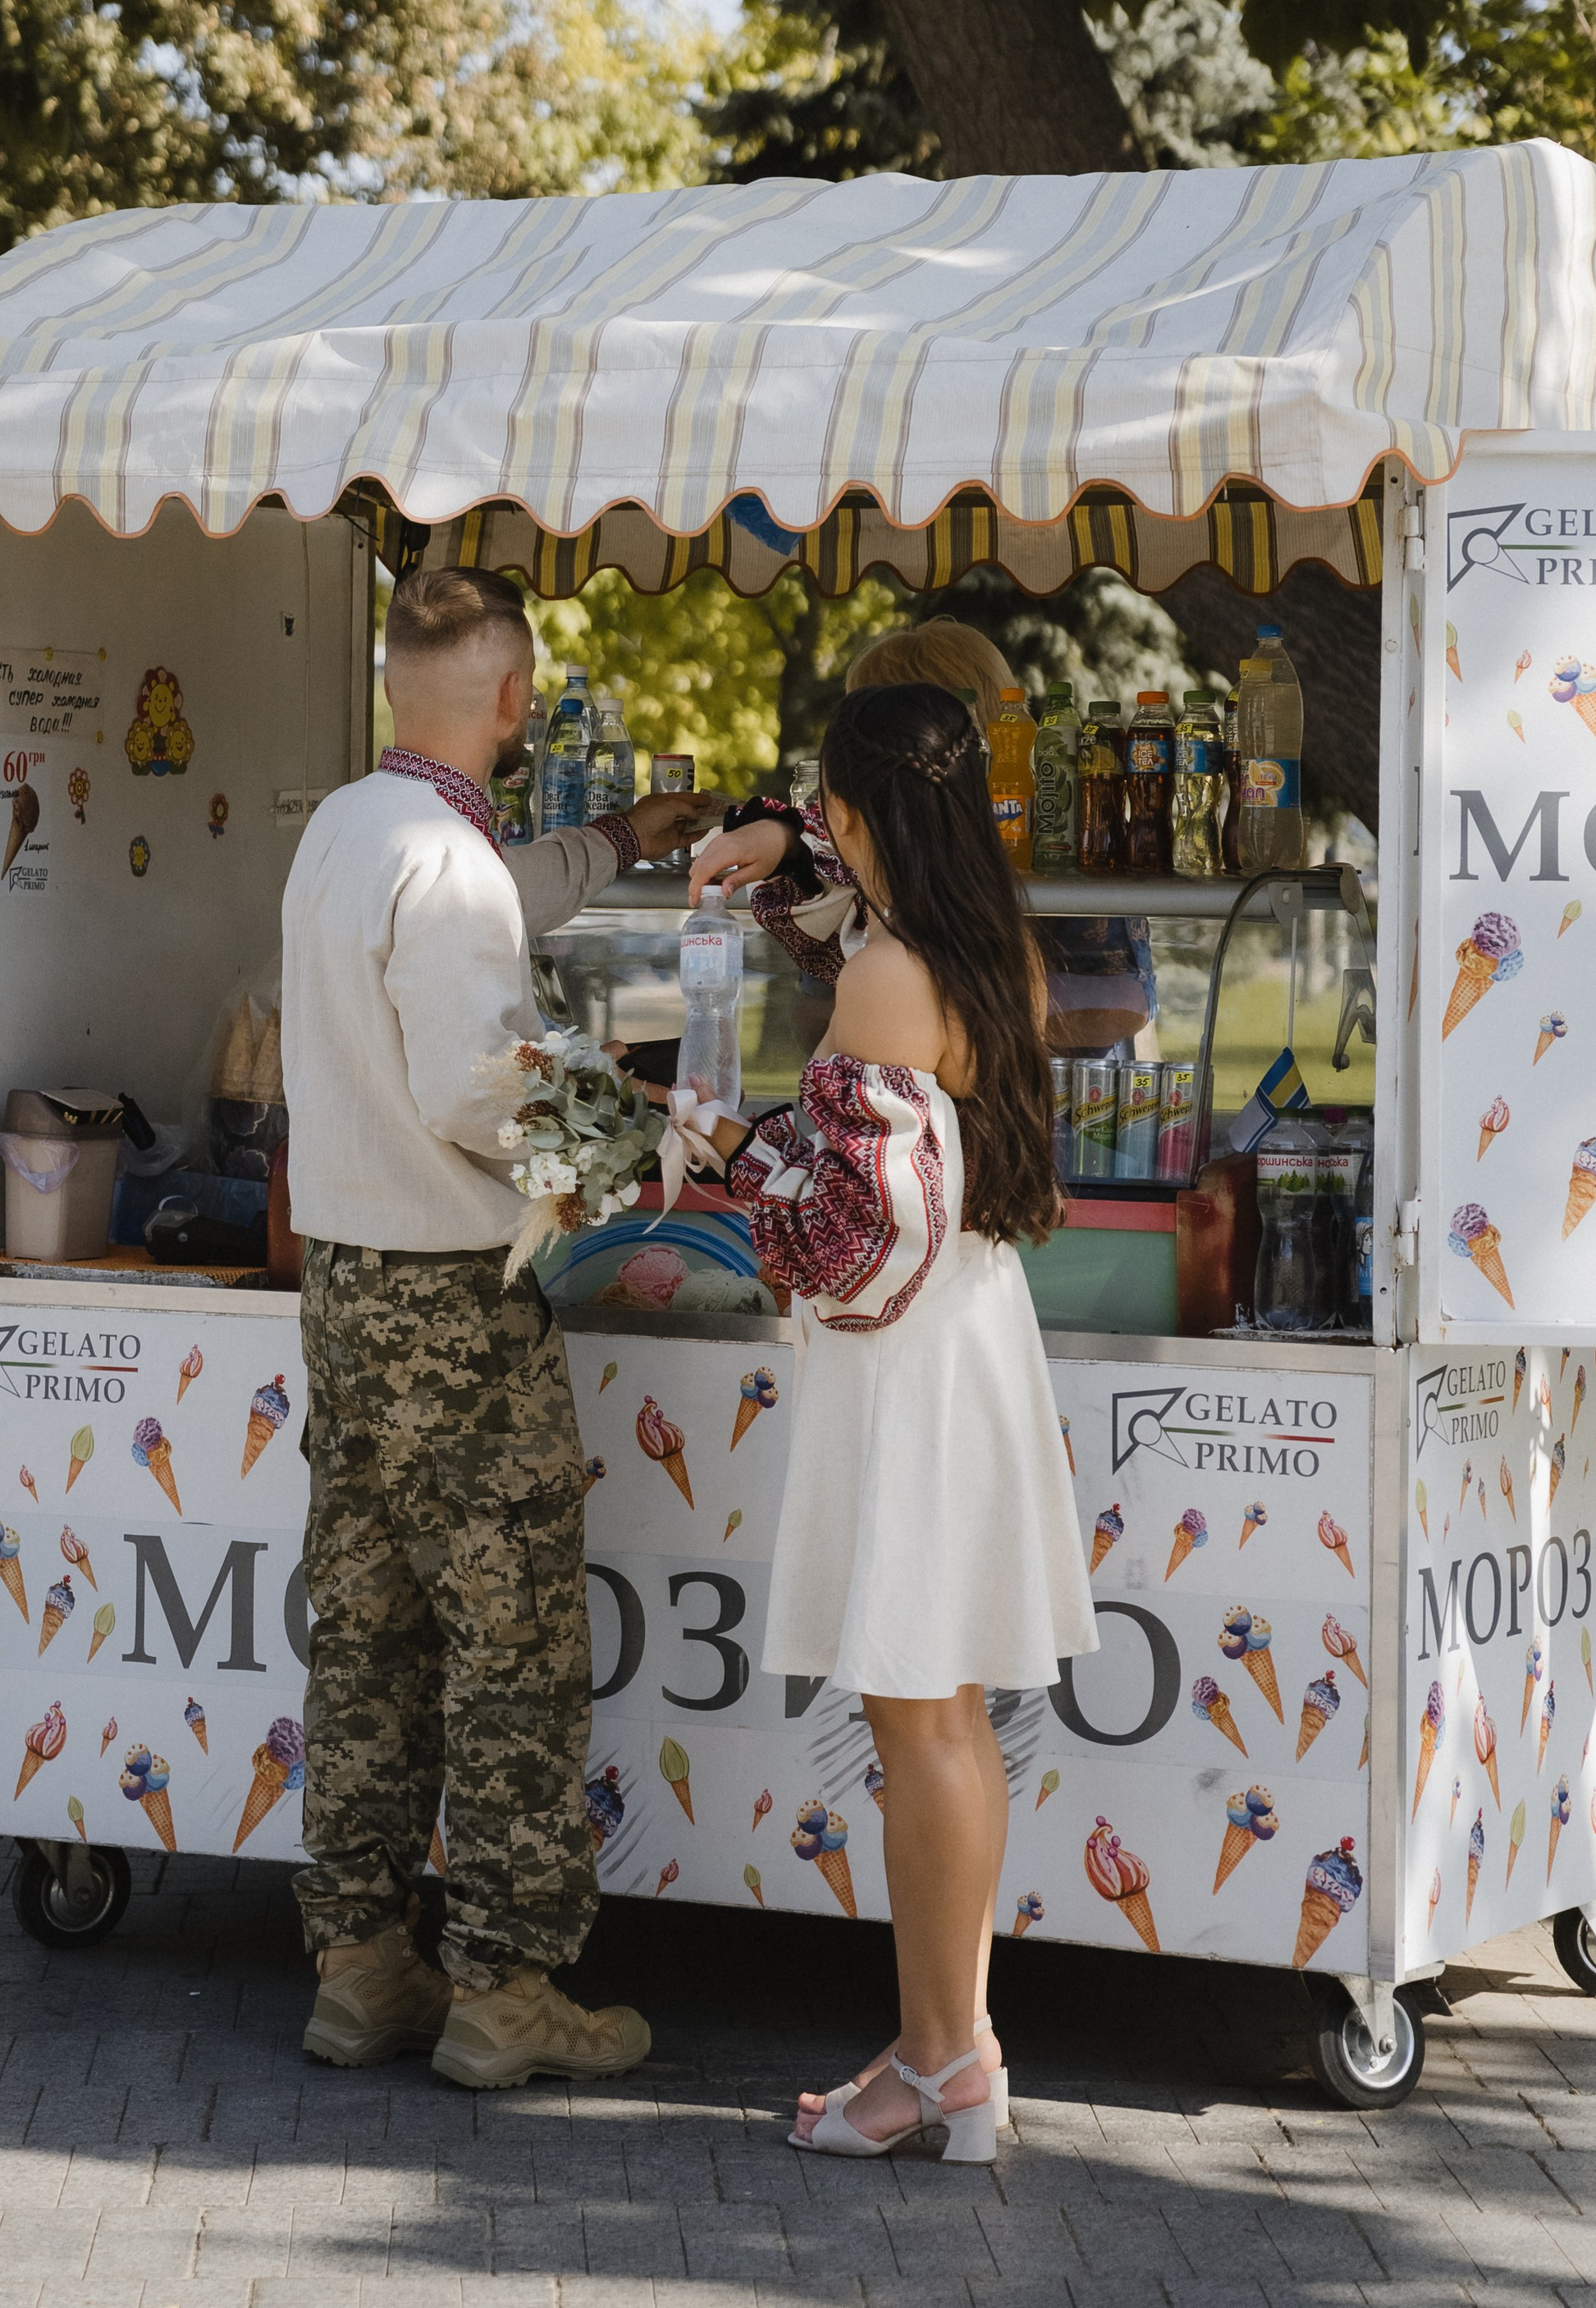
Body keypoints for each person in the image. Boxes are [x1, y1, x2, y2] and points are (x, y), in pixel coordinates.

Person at [279, 563, 697, 2091]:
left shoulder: (348, 830)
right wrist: (631, 1133)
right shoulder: (443, 865)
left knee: (370, 1640)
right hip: (455, 1303)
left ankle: (358, 1965)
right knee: (512, 1645)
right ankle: (507, 1987)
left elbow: (485, 901)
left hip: (343, 1292)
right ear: (516, 701)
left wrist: (614, 845)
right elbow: (482, 1083)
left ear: (398, 681)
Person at [688, 682, 1096, 2159]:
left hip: (904, 1366)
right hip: (976, 1340)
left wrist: (731, 1150)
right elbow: (837, 904)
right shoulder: (992, 952)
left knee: (913, 1721)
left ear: (867, 816)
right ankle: (956, 2051)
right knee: (955, 1720)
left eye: (831, 811)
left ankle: (937, 2062)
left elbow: (843, 1231)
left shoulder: (884, 983)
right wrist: (780, 835)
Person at [713, 614, 1155, 1053]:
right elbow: (819, 1017)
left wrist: (930, 1014)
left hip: (1086, 1106)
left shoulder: (1054, 836)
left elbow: (1123, 1006)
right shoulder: (858, 858)